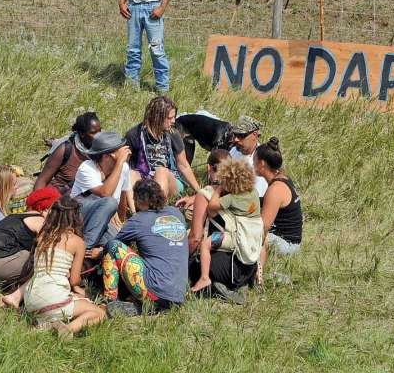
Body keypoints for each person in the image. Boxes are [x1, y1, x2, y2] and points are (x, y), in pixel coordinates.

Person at [18, 196, 106, 339]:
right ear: (76, 217)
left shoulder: (43, 237)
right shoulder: (77, 242)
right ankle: (68, 329)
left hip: (30, 299)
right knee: (99, 313)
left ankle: (46, 327)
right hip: (53, 298)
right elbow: (74, 280)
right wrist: (81, 290)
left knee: (70, 304)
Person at [101, 178, 188, 316]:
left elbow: (115, 244)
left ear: (140, 200)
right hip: (178, 295)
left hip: (155, 291)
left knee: (113, 246)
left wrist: (98, 253)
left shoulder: (138, 219)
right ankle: (148, 306)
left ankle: (109, 300)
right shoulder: (176, 214)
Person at [190, 160, 262, 293]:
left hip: (236, 237)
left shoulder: (232, 199)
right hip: (252, 237)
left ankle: (204, 278)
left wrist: (218, 190)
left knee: (206, 244)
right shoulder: (254, 193)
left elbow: (212, 207)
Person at [0, 186, 60, 292]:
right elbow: (52, 249)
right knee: (41, 259)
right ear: (43, 209)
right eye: (55, 211)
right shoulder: (39, 220)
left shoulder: (13, 217)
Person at [125, 96, 201, 200]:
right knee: (130, 174)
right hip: (143, 179)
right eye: (169, 118)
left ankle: (158, 210)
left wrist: (199, 191)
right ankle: (135, 214)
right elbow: (123, 165)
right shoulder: (134, 134)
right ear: (157, 117)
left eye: (174, 117)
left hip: (169, 180)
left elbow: (183, 165)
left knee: (161, 172)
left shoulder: (173, 134)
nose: (173, 121)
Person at [70, 131, 134, 252]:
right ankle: (85, 247)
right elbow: (105, 194)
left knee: (118, 244)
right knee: (109, 202)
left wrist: (121, 222)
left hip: (101, 222)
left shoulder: (123, 168)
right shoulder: (87, 168)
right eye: (120, 150)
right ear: (106, 156)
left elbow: (122, 197)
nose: (125, 152)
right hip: (78, 216)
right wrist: (120, 163)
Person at [255, 138, 303, 276]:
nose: (252, 164)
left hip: (286, 244)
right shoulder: (283, 178)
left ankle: (257, 273)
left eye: (254, 160)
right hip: (289, 240)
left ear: (262, 163)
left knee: (249, 233)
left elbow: (263, 227)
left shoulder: (276, 189)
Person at [33, 112, 101, 194]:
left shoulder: (102, 151)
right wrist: (36, 202)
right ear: (82, 134)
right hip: (60, 199)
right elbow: (42, 181)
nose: (99, 136)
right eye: (93, 133)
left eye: (100, 131)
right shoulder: (65, 149)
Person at [229, 116, 268, 198]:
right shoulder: (234, 150)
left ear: (254, 135)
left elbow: (256, 197)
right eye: (235, 134)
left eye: (241, 135)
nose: (236, 139)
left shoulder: (261, 162)